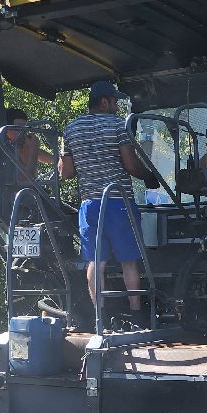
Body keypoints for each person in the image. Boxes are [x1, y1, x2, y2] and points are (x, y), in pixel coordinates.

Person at [58, 80, 158, 316]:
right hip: (118, 202)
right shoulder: (117, 125)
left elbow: (67, 172)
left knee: (95, 262)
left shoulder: (71, 128)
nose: (116, 106)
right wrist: (150, 177)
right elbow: (131, 166)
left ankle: (99, 317)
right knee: (129, 262)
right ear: (104, 102)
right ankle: (136, 314)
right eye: (114, 101)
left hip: (89, 204)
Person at [4, 107, 53, 184]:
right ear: (7, 130)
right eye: (19, 129)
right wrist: (34, 147)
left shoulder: (20, 145)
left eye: (24, 129)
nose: (23, 133)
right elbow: (26, 180)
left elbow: (39, 154)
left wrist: (58, 161)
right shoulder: (4, 151)